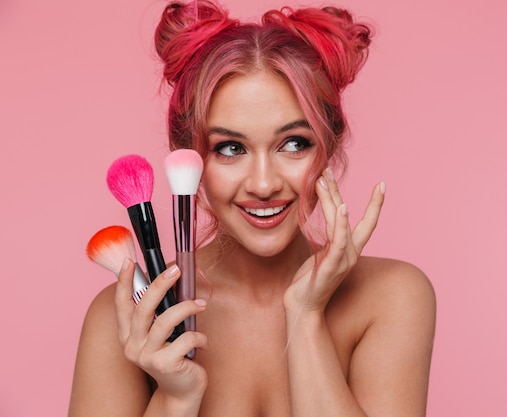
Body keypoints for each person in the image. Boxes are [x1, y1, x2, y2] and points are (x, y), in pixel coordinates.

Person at [68, 1, 436, 416]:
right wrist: (174, 396)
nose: (263, 184)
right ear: (189, 159)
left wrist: (306, 316)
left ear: (328, 146)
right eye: (230, 148)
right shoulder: (124, 319)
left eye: (294, 143)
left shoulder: (390, 297)